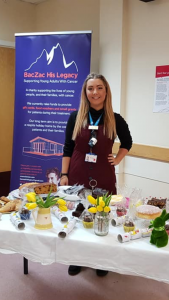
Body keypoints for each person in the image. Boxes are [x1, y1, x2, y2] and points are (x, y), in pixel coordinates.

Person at [60, 73, 132, 276]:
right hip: (77, 172)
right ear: (85, 92)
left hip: (104, 173)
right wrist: (64, 174)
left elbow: (127, 143)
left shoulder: (115, 119)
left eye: (99, 87)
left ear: (106, 91)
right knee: (78, 214)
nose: (95, 92)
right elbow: (67, 147)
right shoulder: (76, 117)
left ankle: (102, 260)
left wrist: (117, 159)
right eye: (91, 88)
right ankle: (76, 258)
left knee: (102, 215)